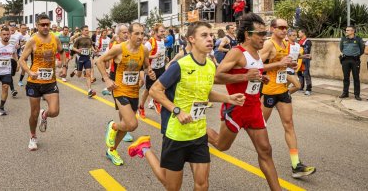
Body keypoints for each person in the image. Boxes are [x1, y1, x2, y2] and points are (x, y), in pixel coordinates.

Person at [128, 21, 245, 191]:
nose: (210, 39)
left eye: (211, 35)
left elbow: (204, 93)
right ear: (192, 39)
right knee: (171, 186)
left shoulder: (211, 66)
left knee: (202, 184)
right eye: (204, 35)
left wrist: (228, 98)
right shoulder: (180, 65)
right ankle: (144, 148)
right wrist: (177, 110)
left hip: (198, 133)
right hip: (176, 134)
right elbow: (155, 90)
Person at [207, 13, 282, 190]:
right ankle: (198, 131)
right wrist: (245, 76)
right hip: (236, 108)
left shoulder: (257, 53)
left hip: (254, 108)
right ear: (248, 35)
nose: (264, 38)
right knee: (221, 145)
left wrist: (259, 78)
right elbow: (216, 77)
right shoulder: (236, 52)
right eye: (260, 34)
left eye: (265, 34)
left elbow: (252, 75)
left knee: (265, 150)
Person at [260, 18, 316, 178]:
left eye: (286, 27)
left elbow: (282, 64)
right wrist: (279, 64)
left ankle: (295, 165)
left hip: (283, 90)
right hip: (269, 91)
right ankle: (263, 157)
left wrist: (289, 65)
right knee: (260, 126)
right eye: (281, 27)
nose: (284, 30)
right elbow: (257, 66)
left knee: (289, 125)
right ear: (272, 29)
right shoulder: (268, 44)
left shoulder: (286, 44)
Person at [96, 23, 155, 166]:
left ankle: (111, 150)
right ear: (129, 34)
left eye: (142, 33)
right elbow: (99, 61)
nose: (141, 36)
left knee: (128, 125)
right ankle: (113, 126)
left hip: (134, 91)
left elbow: (146, 65)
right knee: (132, 124)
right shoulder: (119, 48)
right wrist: (107, 79)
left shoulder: (144, 50)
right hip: (119, 89)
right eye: (137, 33)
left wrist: (149, 72)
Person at [19, 13, 67, 151]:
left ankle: (44, 114)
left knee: (55, 111)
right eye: (42, 24)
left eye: (47, 24)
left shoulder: (55, 38)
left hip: (50, 82)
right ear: (37, 25)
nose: (46, 27)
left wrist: (64, 67)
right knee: (33, 113)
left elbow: (62, 52)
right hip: (34, 82)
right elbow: (21, 60)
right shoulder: (33, 40)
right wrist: (29, 72)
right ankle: (33, 136)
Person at [139, 23, 167, 116]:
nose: (164, 33)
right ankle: (141, 107)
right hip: (152, 69)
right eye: (162, 31)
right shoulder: (150, 42)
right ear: (155, 32)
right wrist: (153, 56)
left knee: (162, 87)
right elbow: (142, 56)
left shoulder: (162, 41)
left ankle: (156, 101)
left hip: (161, 67)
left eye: (164, 31)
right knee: (148, 90)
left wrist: (165, 57)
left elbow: (161, 52)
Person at [339, 25, 365, 100]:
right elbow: (341, 48)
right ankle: (345, 93)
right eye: (346, 30)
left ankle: (357, 95)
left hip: (355, 60)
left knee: (356, 78)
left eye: (348, 30)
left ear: (353, 31)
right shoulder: (343, 39)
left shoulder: (358, 39)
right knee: (345, 77)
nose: (346, 31)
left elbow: (362, 50)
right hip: (345, 60)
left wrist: (355, 55)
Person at [72, 26, 97, 98]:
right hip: (80, 58)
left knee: (88, 74)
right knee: (79, 75)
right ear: (82, 31)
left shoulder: (89, 38)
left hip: (87, 58)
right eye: (86, 30)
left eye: (88, 30)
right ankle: (75, 71)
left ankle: (89, 90)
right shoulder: (79, 39)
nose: (87, 31)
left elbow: (91, 46)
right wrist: (77, 50)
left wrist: (94, 50)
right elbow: (73, 47)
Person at [297, 29, 313, 96]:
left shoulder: (307, 41)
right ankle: (301, 87)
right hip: (299, 60)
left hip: (305, 60)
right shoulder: (299, 41)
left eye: (299, 33)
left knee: (306, 74)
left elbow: (306, 51)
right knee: (299, 74)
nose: (298, 34)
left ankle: (308, 89)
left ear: (303, 33)